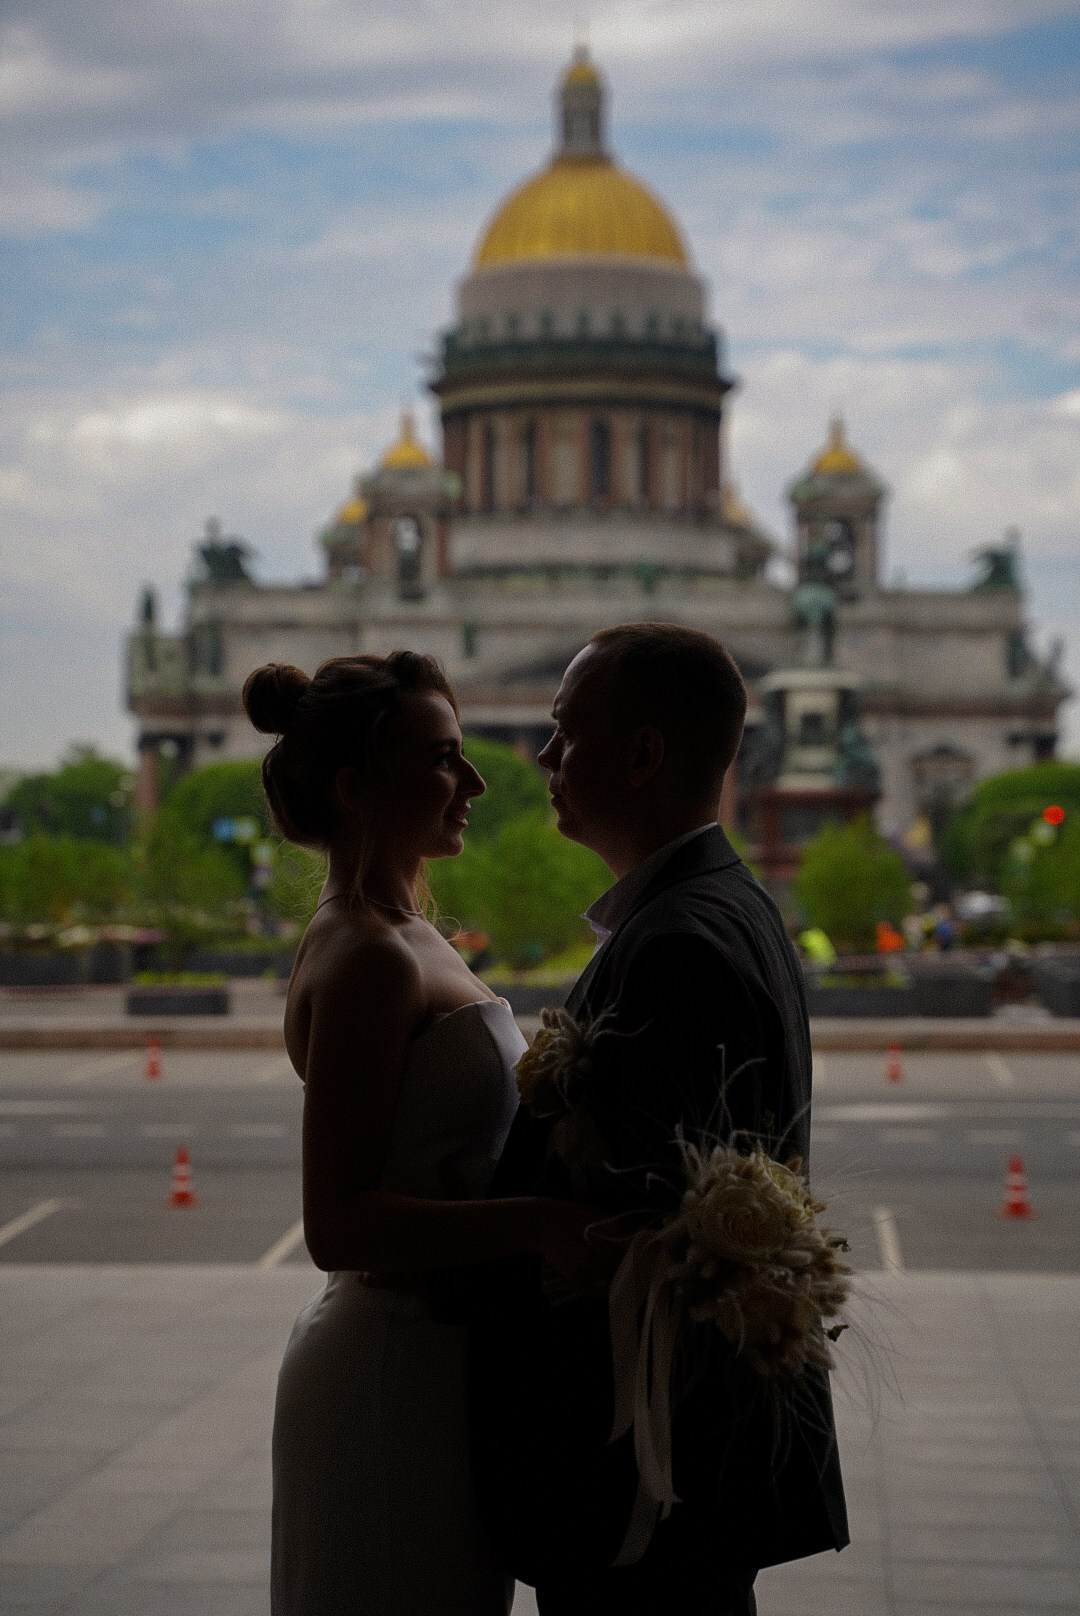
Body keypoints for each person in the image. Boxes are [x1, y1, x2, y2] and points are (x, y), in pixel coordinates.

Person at [471, 623, 849, 1615]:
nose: (543, 758)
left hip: (643, 1472)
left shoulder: (678, 940)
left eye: (564, 731)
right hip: (679, 1469)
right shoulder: (725, 904)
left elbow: (622, 1238)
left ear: (643, 754)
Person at [243, 651, 603, 1616]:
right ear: (359, 786)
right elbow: (340, 1224)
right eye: (444, 757)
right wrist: (539, 1223)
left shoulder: (407, 932)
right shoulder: (366, 955)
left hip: (439, 1365)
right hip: (391, 1370)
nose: (479, 780)